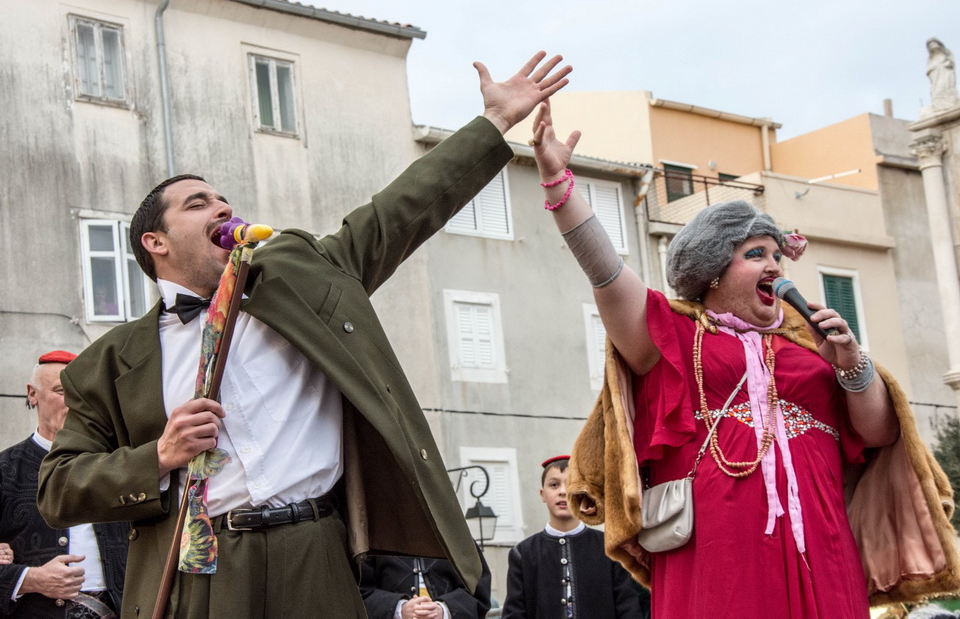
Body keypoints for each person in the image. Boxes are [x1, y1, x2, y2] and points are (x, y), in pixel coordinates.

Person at [37, 52, 572, 619]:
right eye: (198, 205)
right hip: (206, 568)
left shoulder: (303, 277)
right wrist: (160, 455)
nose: (221, 207)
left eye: (223, 201)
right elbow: (58, 487)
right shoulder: (110, 362)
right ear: (156, 243)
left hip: (316, 550)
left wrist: (493, 123)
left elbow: (399, 212)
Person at [526, 101, 960, 618]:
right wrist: (559, 185)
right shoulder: (678, 334)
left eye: (776, 254)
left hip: (822, 548)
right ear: (711, 272)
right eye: (756, 254)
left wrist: (851, 364)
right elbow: (606, 273)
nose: (774, 264)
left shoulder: (811, 345)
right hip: (716, 555)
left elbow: (882, 434)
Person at [0, 351, 128, 619]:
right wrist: (31, 578)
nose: (72, 403)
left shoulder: (119, 462)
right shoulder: (5, 468)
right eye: (60, 390)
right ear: (32, 394)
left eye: (81, 393)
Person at [501, 455, 642, 619]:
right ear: (543, 494)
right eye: (554, 485)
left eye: (570, 484)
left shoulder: (610, 548)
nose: (563, 491)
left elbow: (628, 610)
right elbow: (514, 613)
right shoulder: (522, 553)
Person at [360, 549, 492, 619]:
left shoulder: (458, 538)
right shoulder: (369, 542)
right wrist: (400, 609)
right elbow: (359, 593)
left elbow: (477, 591)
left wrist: (444, 610)